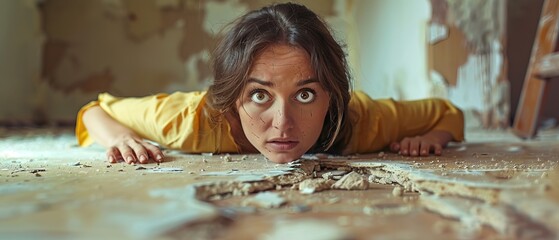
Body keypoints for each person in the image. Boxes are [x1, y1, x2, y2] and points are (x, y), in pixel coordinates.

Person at [76, 2, 464, 164]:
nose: (283, 123)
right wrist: (118, 138)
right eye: (260, 95)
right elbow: (95, 110)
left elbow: (447, 113)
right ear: (232, 100)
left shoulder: (359, 121)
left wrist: (435, 138)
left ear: (333, 97)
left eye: (306, 94)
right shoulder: (189, 120)